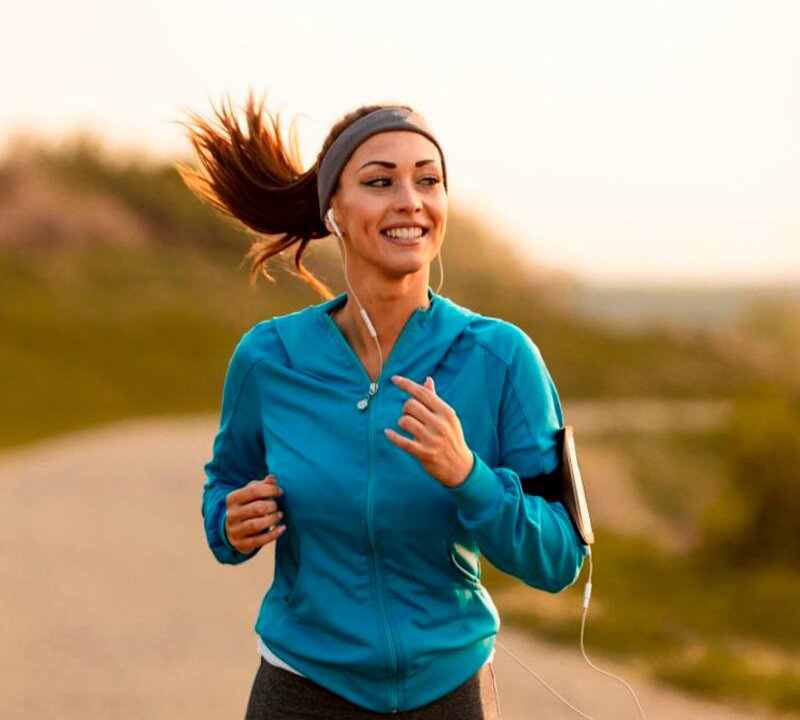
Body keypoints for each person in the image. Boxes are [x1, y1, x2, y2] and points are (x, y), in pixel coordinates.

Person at [177, 93, 588, 719]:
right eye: (379, 181)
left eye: (429, 180)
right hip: (301, 688)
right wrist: (229, 525)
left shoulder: (501, 358)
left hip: (447, 693)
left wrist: (469, 477)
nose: (410, 200)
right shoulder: (270, 358)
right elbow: (224, 487)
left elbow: (561, 557)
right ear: (333, 210)